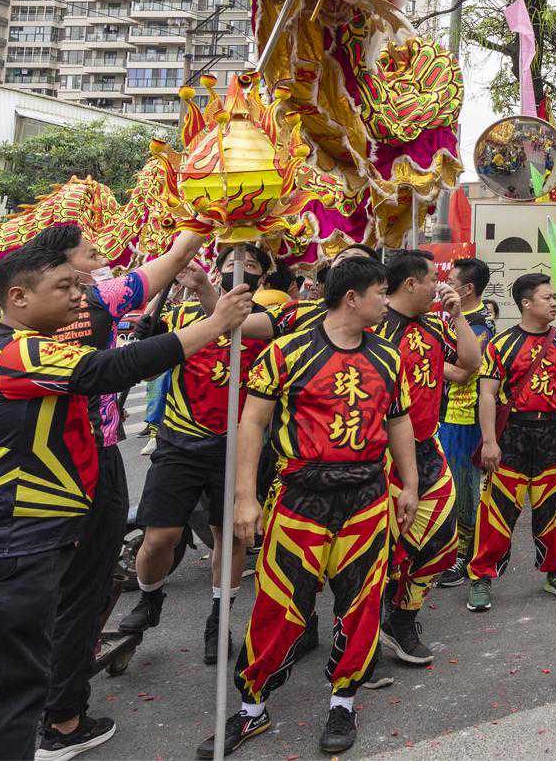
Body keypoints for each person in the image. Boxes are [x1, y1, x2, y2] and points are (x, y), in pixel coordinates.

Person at [0, 228, 242, 761]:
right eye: (66, 286)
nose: (79, 296)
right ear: (19, 297)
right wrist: (214, 325)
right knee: (8, 691)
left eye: (81, 285)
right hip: (9, 540)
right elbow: (106, 369)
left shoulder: (15, 347)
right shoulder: (12, 351)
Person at [211, 253, 413, 759]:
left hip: (366, 498)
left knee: (362, 601)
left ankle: (343, 700)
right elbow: (252, 424)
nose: (386, 304)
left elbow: (399, 423)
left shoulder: (389, 357)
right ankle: (252, 708)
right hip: (300, 497)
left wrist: (408, 484)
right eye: (380, 294)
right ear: (353, 298)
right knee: (279, 601)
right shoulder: (286, 352)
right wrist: (243, 498)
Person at [116, 259, 281, 664]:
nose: (238, 267)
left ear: (262, 275)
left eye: (249, 262)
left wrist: (208, 288)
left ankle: (218, 619)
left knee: (231, 537)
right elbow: (153, 358)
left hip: (236, 445)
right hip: (180, 441)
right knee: (159, 538)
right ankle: (151, 598)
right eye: (230, 260)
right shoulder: (180, 314)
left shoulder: (270, 318)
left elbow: (230, 320)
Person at [465, 273, 556, 613]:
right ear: (526, 303)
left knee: (554, 509)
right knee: (497, 511)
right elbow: (488, 394)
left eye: (554, 298)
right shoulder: (502, 344)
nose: (554, 303)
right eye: (547, 297)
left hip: (552, 435)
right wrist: (490, 441)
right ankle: (480, 577)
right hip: (512, 437)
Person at [373, 249, 476, 669]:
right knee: (381, 548)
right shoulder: (375, 327)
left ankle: (403, 618)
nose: (440, 284)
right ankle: (366, 631)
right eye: (434, 277)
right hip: (380, 455)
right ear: (411, 283)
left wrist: (460, 317)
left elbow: (469, 365)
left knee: (439, 541)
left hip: (427, 447)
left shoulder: (436, 325)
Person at [434, 258, 494, 586]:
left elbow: (461, 374)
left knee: (465, 490)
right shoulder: (453, 320)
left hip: (465, 417)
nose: (444, 284)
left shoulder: (480, 326)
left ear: (467, 289)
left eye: (450, 280)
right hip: (445, 416)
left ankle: (463, 555)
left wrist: (427, 355)